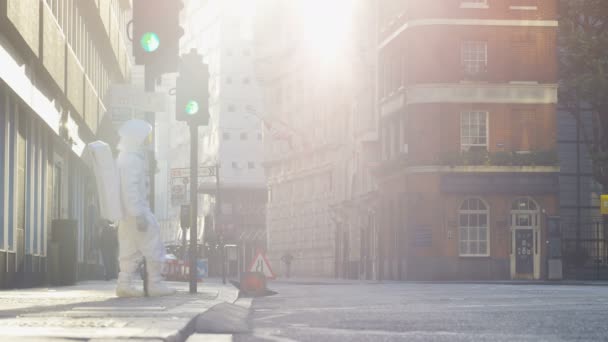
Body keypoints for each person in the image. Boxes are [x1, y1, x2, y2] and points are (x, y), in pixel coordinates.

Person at [115, 119, 175, 297]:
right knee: (153, 243)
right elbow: (130, 188)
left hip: (126, 215)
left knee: (129, 249)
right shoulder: (133, 160)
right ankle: (155, 283)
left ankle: (124, 284)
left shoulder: (124, 157)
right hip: (136, 211)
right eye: (146, 137)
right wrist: (139, 213)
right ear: (137, 139)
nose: (149, 140)